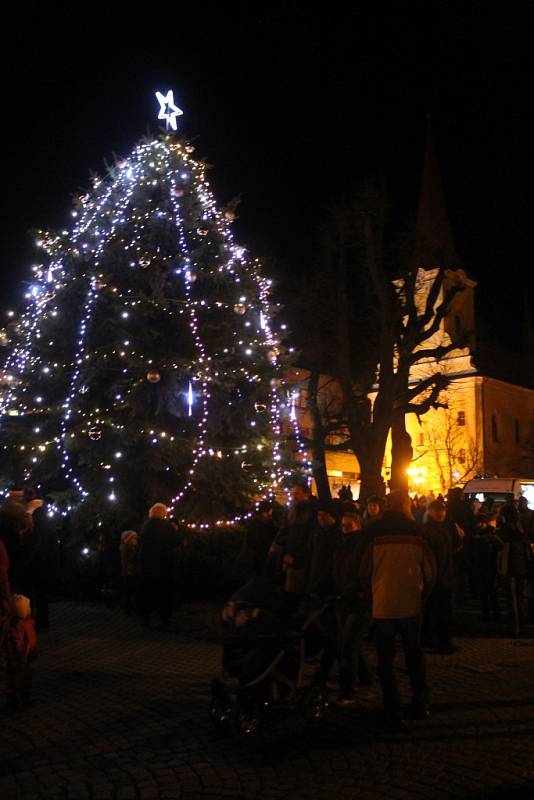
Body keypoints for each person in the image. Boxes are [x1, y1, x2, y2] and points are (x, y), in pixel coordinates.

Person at [360, 491, 435, 723]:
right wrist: (423, 595)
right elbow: (430, 571)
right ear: (405, 506)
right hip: (411, 602)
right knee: (413, 654)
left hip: (382, 603)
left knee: (385, 658)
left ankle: (391, 706)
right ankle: (420, 702)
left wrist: (370, 592)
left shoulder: (372, 532)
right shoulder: (418, 532)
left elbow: (363, 570)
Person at [317, 508, 373, 704]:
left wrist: (358, 590)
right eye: (343, 526)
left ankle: (347, 691)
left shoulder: (362, 546)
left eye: (349, 526)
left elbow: (364, 572)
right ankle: (365, 679)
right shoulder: (341, 545)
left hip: (358, 601)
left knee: (347, 646)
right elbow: (335, 570)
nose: (346, 529)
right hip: (343, 599)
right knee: (349, 644)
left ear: (358, 526)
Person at [270, 480, 317, 614]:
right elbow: (286, 530)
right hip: (290, 556)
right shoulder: (293, 510)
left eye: (297, 493)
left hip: (300, 559)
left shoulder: (310, 512)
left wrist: (296, 557)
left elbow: (306, 538)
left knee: (294, 591)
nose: (294, 496)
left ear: (306, 494)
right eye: (293, 493)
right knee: (288, 589)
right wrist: (278, 543)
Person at [422, 499, 462, 653]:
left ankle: (432, 639)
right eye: (437, 510)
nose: (441, 513)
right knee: (439, 610)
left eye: (443, 510)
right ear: (430, 512)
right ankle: (441, 642)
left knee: (439, 610)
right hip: (436, 576)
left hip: (444, 574)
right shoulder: (428, 530)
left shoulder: (445, 527)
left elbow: (453, 547)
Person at [137, 503, 179, 628]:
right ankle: (164, 620)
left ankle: (145, 618)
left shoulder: (146, 526)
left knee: (147, 592)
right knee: (164, 593)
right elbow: (174, 542)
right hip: (163, 565)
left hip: (147, 564)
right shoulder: (167, 527)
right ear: (163, 513)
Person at [24, 488, 59, 630]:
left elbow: (36, 540)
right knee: (42, 593)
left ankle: (38, 622)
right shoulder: (46, 516)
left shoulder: (34, 516)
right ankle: (43, 621)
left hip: (39, 559)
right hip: (46, 559)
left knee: (36, 592)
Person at [496, 504, 531, 637]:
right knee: (519, 596)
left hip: (511, 566)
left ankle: (515, 628)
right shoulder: (520, 526)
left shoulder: (506, 530)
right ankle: (522, 623)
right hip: (521, 566)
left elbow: (498, 544)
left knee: (512, 598)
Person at [3, 594, 38, 713]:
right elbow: (21, 644)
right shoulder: (18, 627)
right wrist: (21, 658)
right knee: (18, 679)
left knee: (18, 679)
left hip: (20, 658)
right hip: (20, 659)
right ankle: (17, 699)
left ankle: (18, 698)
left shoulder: (21, 623)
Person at [235, 500, 277, 583]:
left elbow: (249, 538)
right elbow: (272, 537)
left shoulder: (254, 522)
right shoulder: (269, 523)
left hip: (254, 553)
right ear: (268, 510)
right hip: (263, 553)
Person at [120, 530, 139, 615]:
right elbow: (127, 561)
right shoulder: (126, 549)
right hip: (128, 572)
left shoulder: (134, 547)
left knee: (133, 590)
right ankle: (127, 608)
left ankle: (131, 607)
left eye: (135, 538)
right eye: (133, 538)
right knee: (128, 590)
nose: (135, 540)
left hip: (133, 571)